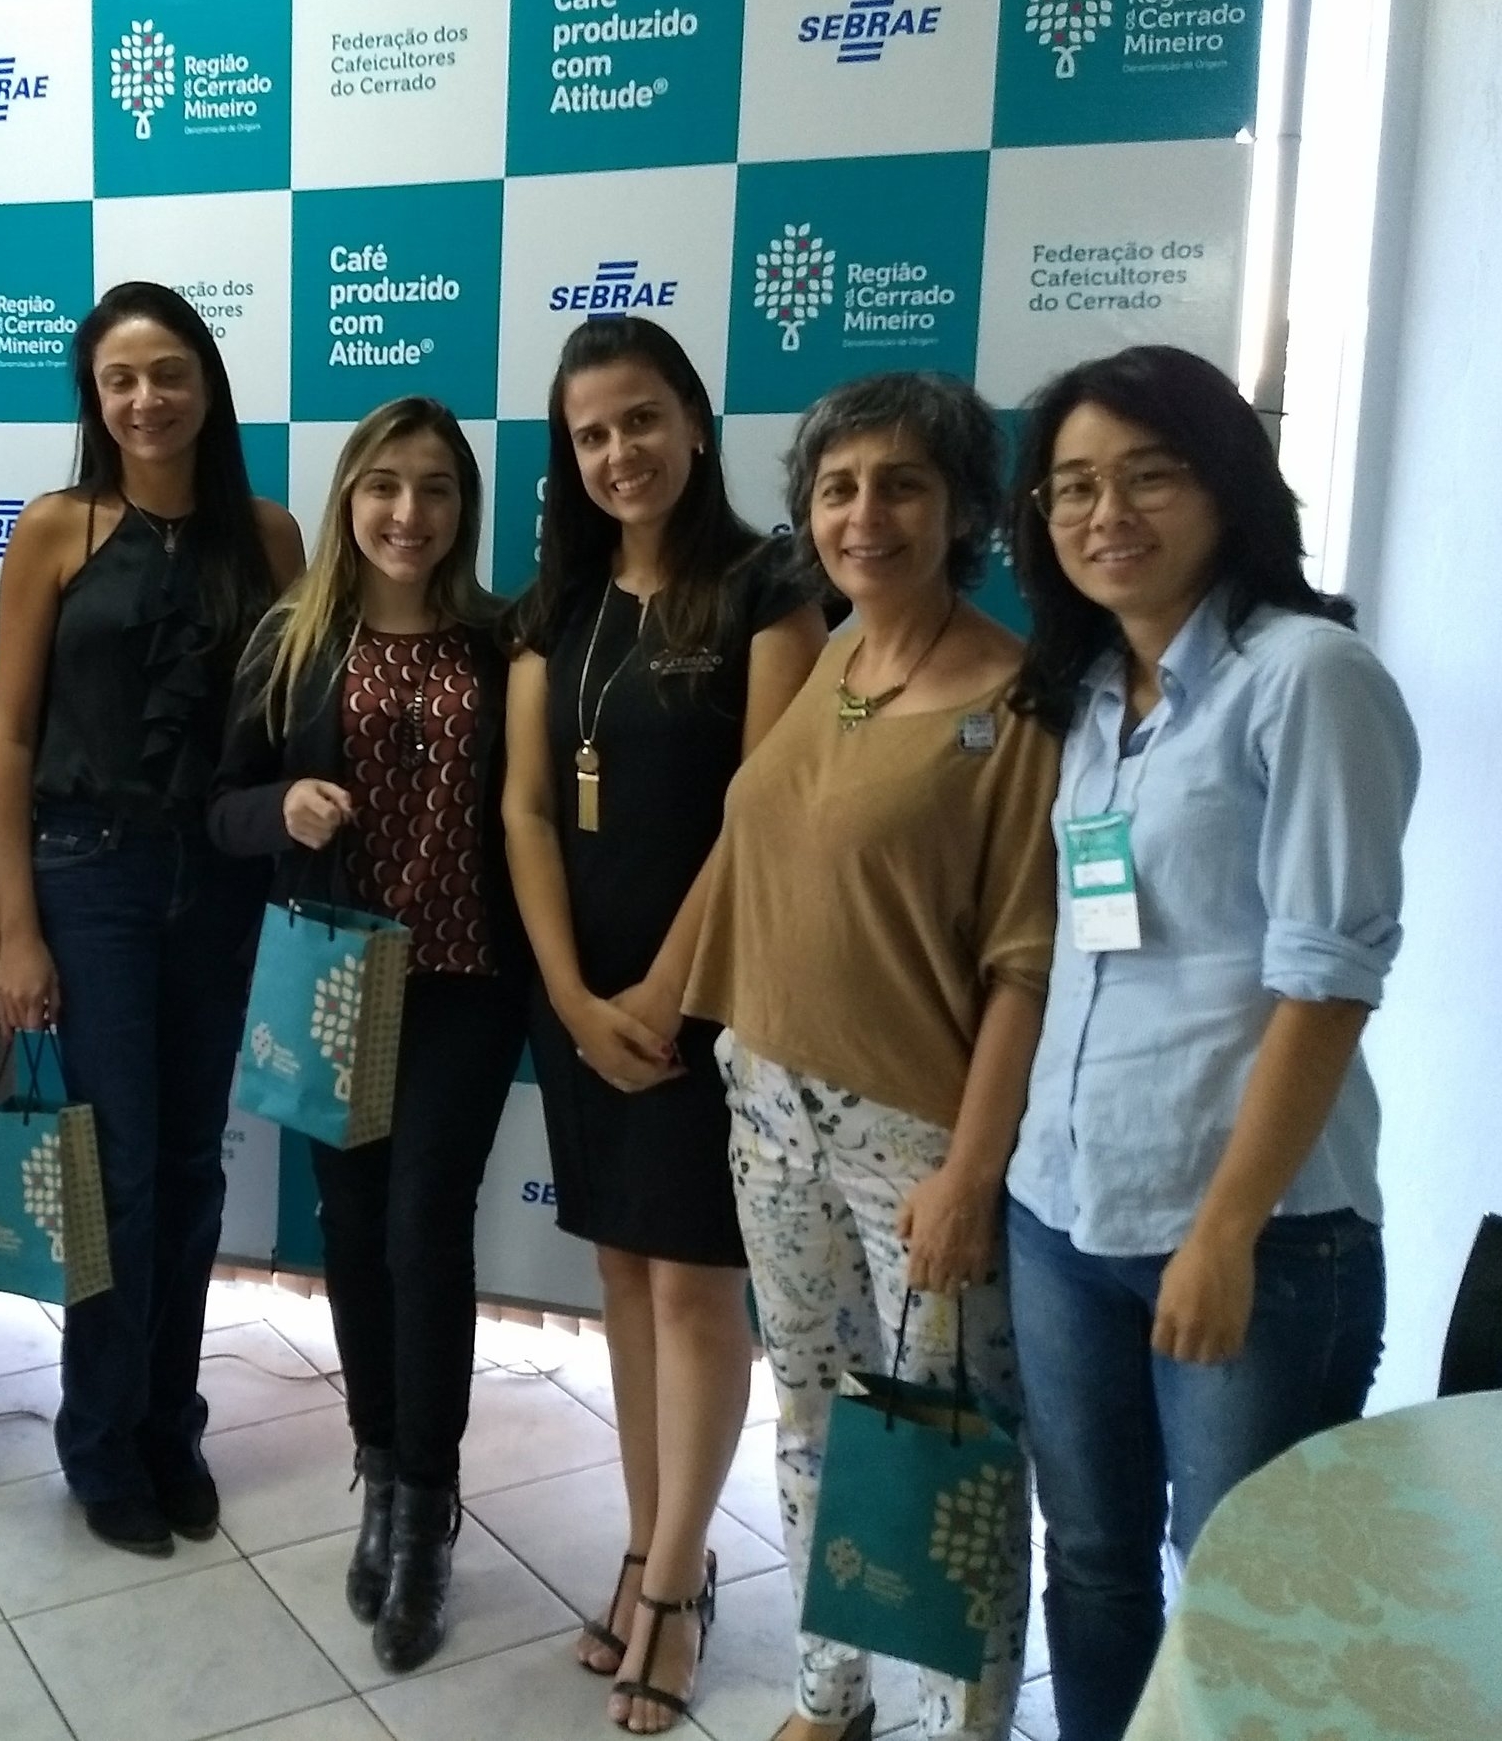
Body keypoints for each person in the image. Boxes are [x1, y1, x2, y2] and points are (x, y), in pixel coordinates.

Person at [1000, 346, 1418, 1741]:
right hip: (1064, 1212)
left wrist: (1226, 1230)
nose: (1105, 511)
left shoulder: (1306, 679)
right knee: (1099, 1563)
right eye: (1072, 488)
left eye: (1147, 475)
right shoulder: (1090, 699)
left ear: (1227, 487)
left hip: (1249, 1233)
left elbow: (1329, 981)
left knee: (1243, 1587)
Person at [684, 372, 1059, 1741]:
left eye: (902, 484)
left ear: (962, 508)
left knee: (951, 1457)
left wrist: (970, 1170)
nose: (866, 513)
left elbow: (1024, 962)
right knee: (812, 1423)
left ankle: (968, 1725)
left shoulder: (1021, 705)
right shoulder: (834, 657)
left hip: (918, 1139)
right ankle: (827, 1694)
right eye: (839, 487)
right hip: (770, 1105)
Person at [501, 317, 826, 1734]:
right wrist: (573, 994)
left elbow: (768, 810)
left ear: (694, 421)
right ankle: (646, 1547)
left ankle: (684, 1585)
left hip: (710, 1001)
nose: (619, 452)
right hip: (581, 997)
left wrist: (659, 995)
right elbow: (523, 806)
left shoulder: (771, 590)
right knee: (626, 1285)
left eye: (642, 420)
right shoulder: (554, 609)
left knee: (697, 1293)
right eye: (591, 434)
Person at [0, 282, 307, 1556]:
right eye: (120, 380)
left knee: (187, 1167)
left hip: (216, 879)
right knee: (116, 1170)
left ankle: (173, 1424)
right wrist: (13, 927)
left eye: (168, 373)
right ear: (94, 399)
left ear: (207, 384)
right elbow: (8, 738)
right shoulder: (58, 530)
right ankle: (101, 1440)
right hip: (90, 875)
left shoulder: (269, 536)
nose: (145, 399)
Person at [210, 398, 528, 1672]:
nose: (409, 512)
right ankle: (381, 1476)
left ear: (465, 508)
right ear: (348, 498)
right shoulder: (294, 641)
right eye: (385, 486)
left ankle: (431, 1510)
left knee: (419, 1228)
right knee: (348, 1229)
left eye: (437, 488)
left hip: (463, 982)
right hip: (331, 979)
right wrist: (277, 805)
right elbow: (217, 808)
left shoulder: (507, 642)